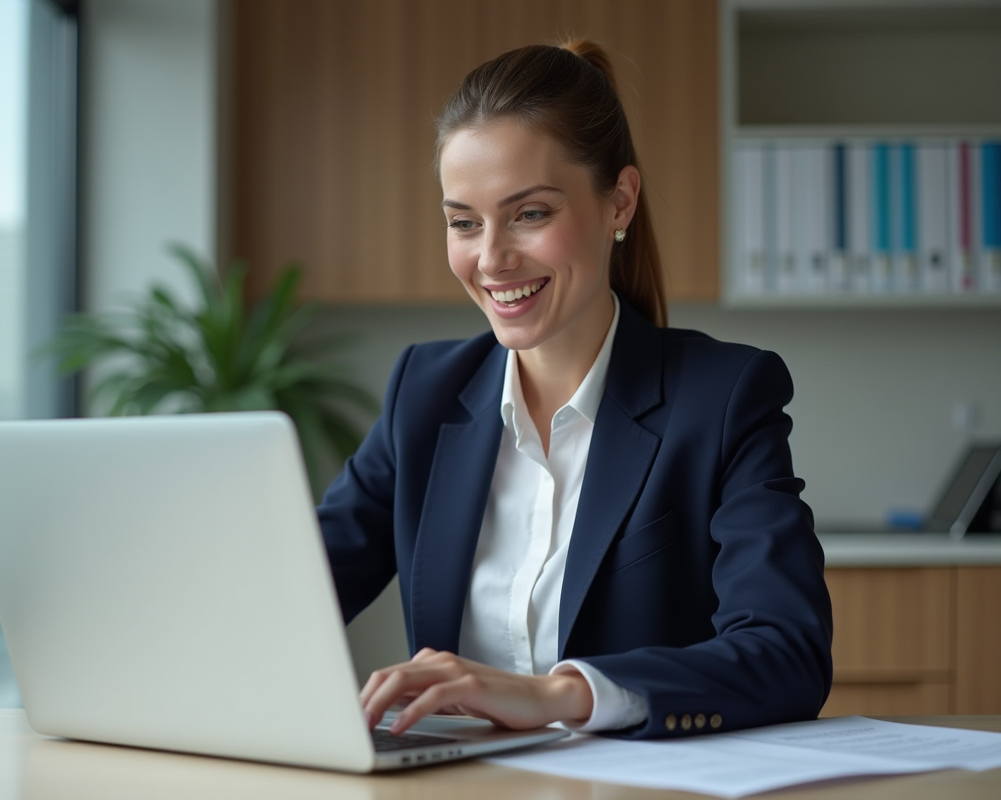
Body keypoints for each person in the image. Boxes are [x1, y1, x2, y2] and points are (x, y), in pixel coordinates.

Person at [317, 40, 833, 740]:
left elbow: (787, 651)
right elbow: (295, 592)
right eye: (464, 222)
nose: (491, 258)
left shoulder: (723, 398)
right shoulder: (425, 393)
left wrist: (562, 694)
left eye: (529, 214)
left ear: (618, 202)